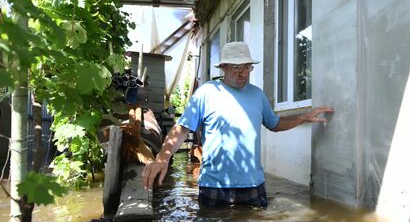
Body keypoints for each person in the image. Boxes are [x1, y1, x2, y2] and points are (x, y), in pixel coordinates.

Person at [142, 41, 334, 208]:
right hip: (214, 187)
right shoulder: (207, 93)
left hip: (253, 186)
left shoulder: (257, 95)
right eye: (236, 67)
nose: (242, 73)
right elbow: (182, 129)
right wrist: (163, 157)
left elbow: (274, 123)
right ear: (223, 67)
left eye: (246, 67)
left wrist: (304, 117)